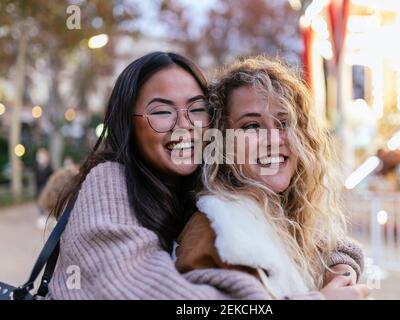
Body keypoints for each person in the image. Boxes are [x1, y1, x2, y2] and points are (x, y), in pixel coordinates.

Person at [47, 52, 272, 299]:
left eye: (198, 108)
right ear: (128, 124)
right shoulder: (108, 181)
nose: (186, 125)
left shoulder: (202, 190)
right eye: (163, 112)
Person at [175, 56, 369, 299]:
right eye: (251, 126)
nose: (274, 139)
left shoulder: (285, 213)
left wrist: (340, 269)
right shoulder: (216, 230)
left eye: (284, 123)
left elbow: (332, 246)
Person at [34, 148, 54, 229]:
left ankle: (49, 219)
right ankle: (41, 218)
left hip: (47, 190)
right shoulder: (36, 168)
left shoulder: (50, 168)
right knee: (40, 204)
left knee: (48, 205)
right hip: (39, 189)